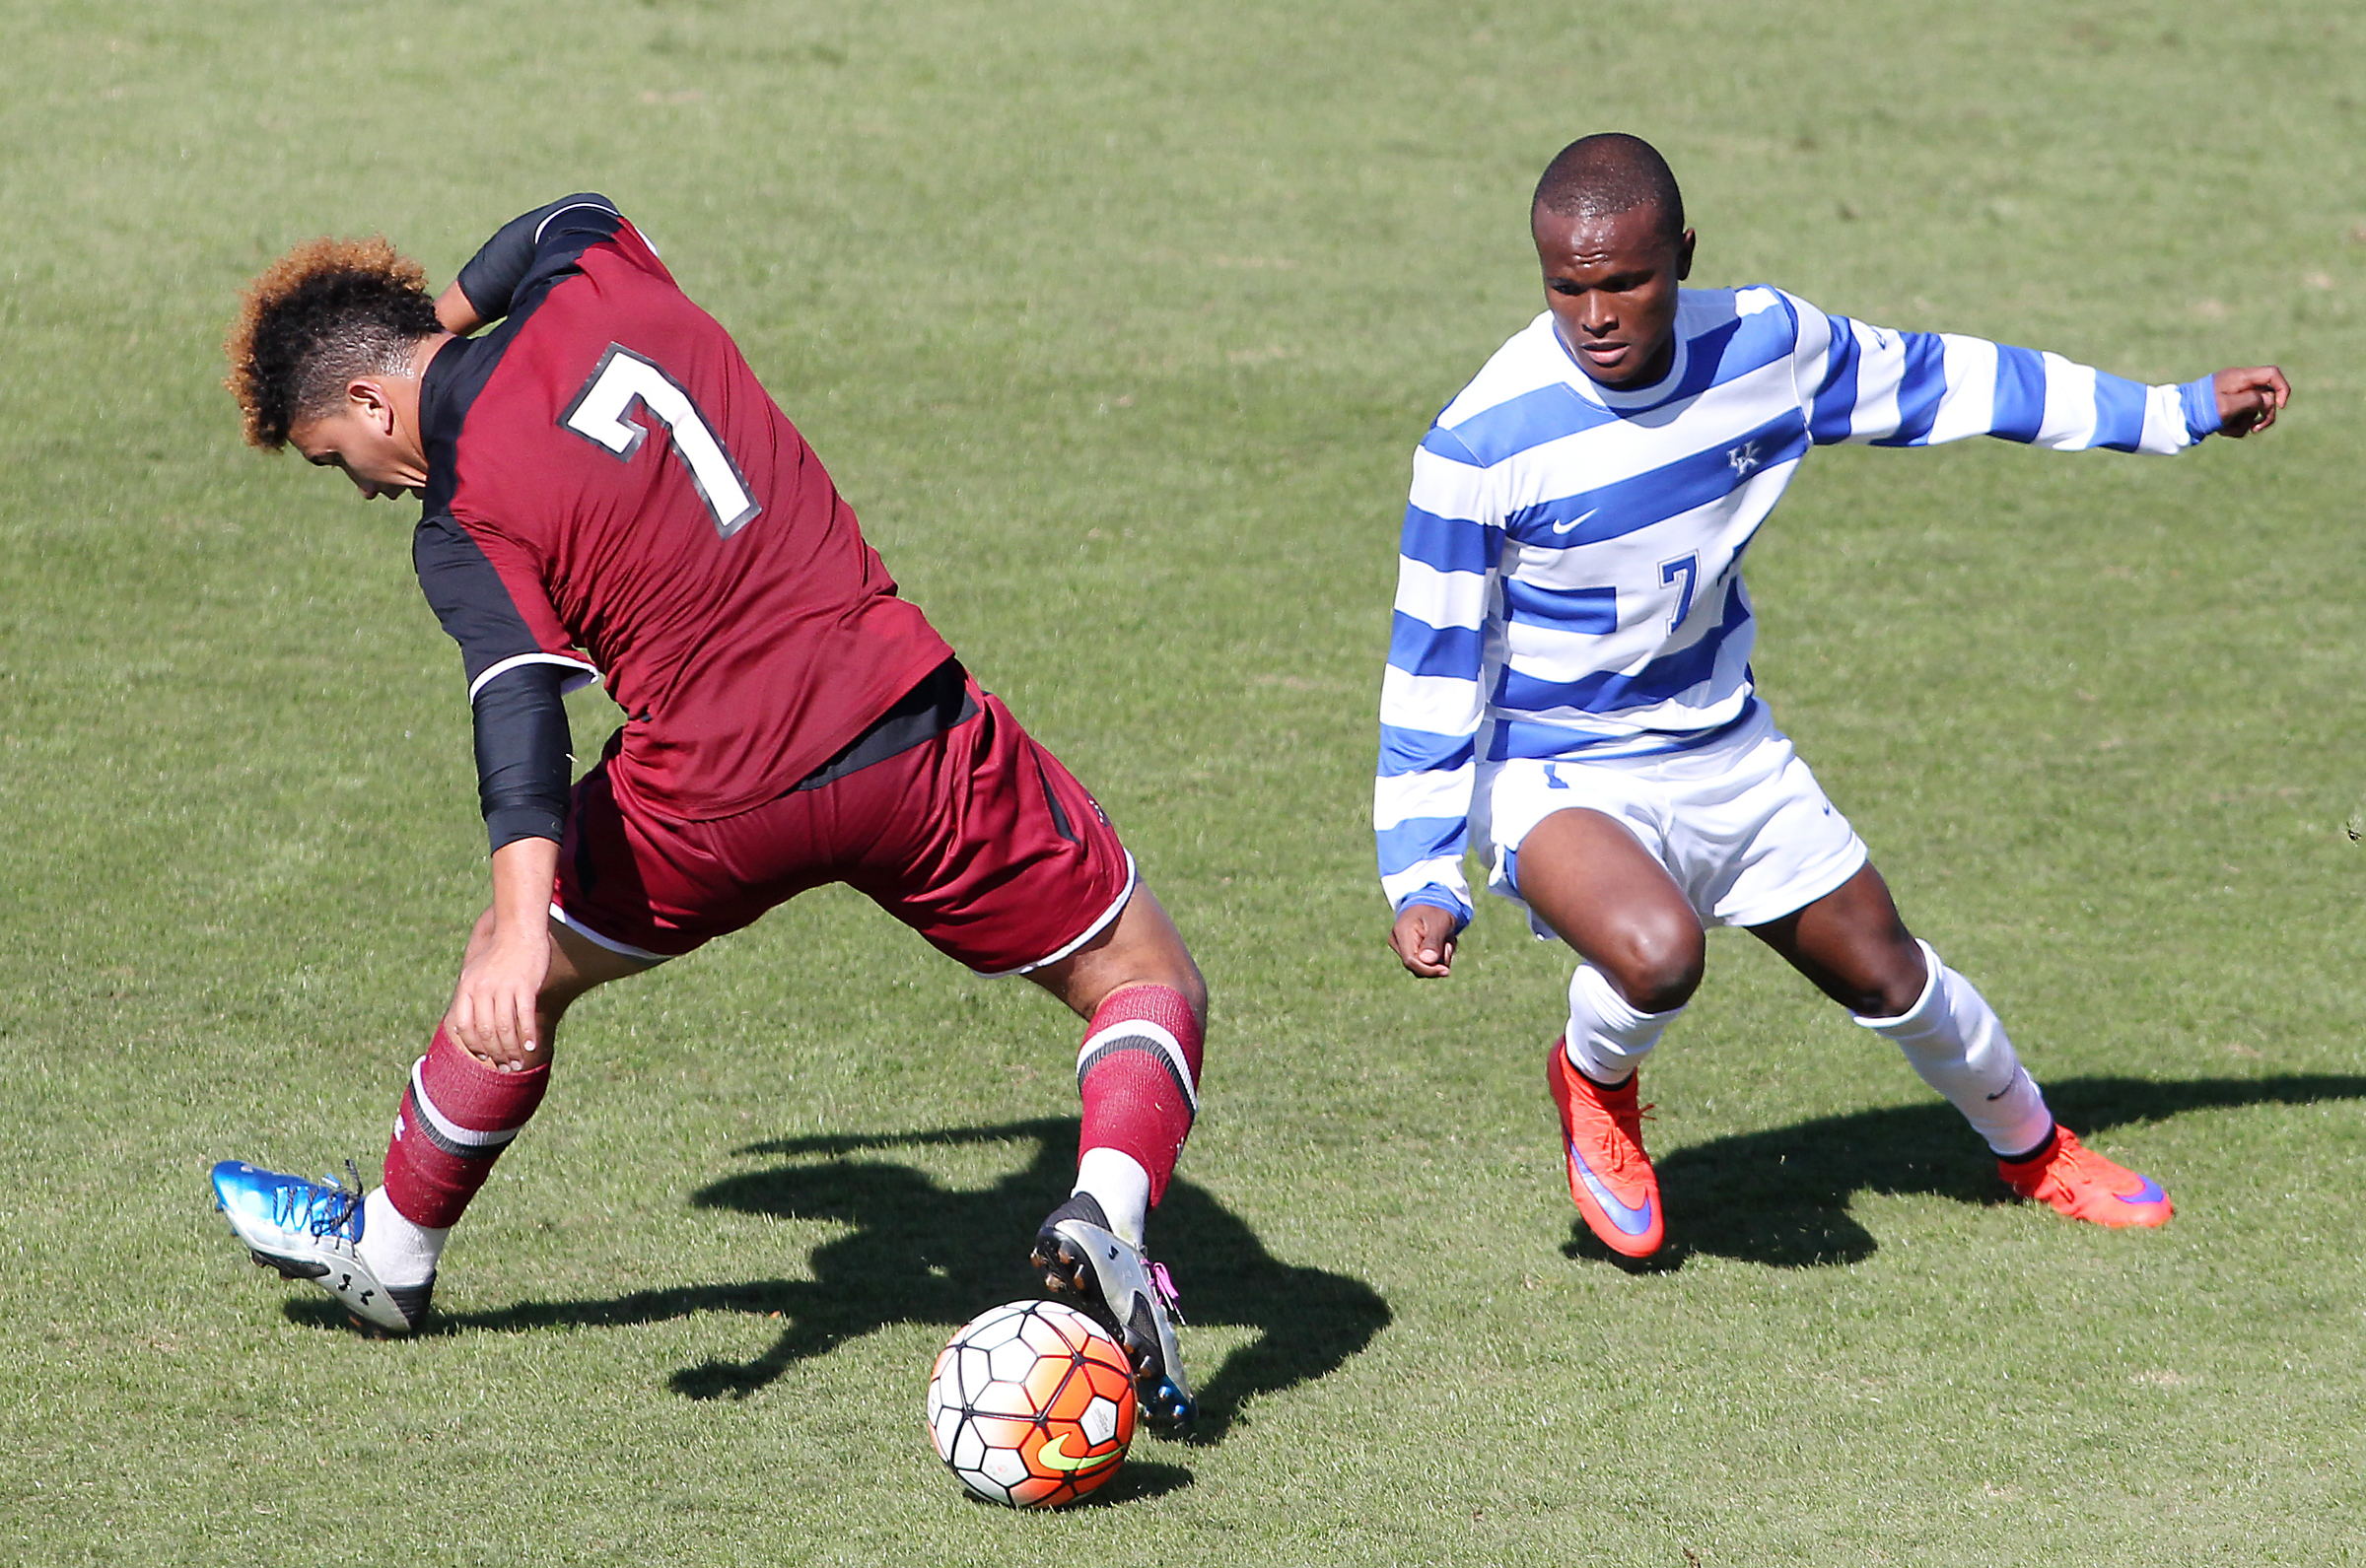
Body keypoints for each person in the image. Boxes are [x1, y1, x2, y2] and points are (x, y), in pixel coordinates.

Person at [210, 196, 1204, 1424]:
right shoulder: (604, 281)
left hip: (712, 807)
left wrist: (522, 927)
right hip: (905, 728)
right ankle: (1107, 1204)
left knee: (507, 967)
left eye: (332, 459)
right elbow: (562, 215)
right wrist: (440, 327)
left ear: (368, 405)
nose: (356, 487)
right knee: (1140, 974)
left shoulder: (457, 519)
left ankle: (394, 1258)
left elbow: (519, 709)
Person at [1377, 134, 2288, 1260]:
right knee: (1660, 953)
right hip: (1561, 771)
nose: (1596, 313)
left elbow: (1948, 378)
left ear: (1684, 257)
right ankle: (1591, 1078)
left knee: (1893, 971)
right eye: (1568, 285)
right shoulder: (1479, 442)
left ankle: (2035, 1146)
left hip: (1727, 748)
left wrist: (2171, 409)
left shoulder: (1767, 347)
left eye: (1627, 280)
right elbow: (1433, 657)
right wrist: (1421, 870)